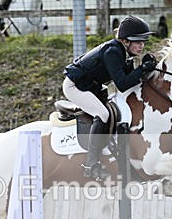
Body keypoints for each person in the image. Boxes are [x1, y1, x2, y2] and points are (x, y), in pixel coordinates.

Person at [62, 16, 158, 180]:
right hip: (75, 87)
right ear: (125, 41)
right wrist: (141, 69)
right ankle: (91, 165)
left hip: (92, 87)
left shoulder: (123, 51)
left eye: (143, 41)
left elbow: (128, 79)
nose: (141, 46)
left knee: (117, 106)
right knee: (103, 114)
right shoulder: (113, 51)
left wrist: (146, 69)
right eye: (137, 42)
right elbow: (122, 84)